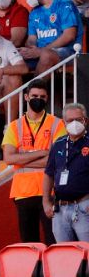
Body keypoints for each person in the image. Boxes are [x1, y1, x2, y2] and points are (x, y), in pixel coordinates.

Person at [3, 83, 66, 244]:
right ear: (26, 97)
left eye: (42, 97)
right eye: (34, 96)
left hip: (50, 192)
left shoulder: (57, 124)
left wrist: (23, 158)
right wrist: (43, 153)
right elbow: (9, 158)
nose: (38, 99)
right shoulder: (15, 126)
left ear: (47, 99)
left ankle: (52, 271)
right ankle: (34, 271)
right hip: (23, 192)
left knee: (53, 241)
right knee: (29, 243)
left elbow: (58, 159)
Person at [45, 104, 89, 249]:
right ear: (64, 123)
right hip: (60, 209)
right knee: (64, 253)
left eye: (78, 119)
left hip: (84, 206)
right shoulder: (58, 144)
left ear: (85, 121)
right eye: (70, 120)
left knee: (87, 252)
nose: (74, 123)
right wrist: (46, 201)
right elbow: (49, 173)